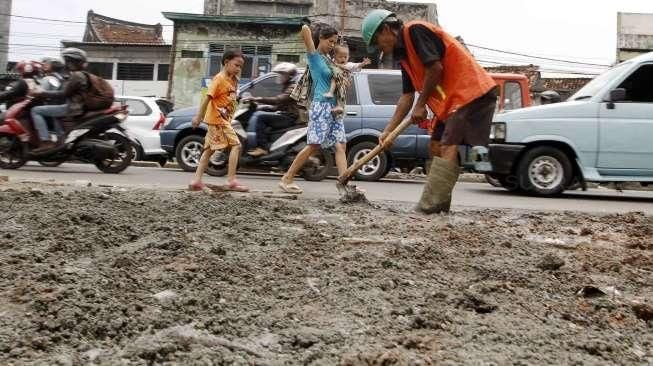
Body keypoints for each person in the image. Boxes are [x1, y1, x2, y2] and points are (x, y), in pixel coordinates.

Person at [361, 9, 497, 214]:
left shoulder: (416, 31)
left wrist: (421, 104)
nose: (379, 48)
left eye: (377, 41)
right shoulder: (403, 58)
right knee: (435, 145)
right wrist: (388, 130)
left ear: (387, 29)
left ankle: (429, 207)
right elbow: (406, 96)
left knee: (448, 144)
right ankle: (440, 204)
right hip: (452, 102)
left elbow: (435, 69)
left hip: (470, 92)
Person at [278, 23, 347, 194]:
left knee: (341, 145)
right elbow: (304, 29)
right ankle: (287, 178)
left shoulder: (329, 60)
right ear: (321, 39)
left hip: (333, 108)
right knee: (314, 145)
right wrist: (319, 28)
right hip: (321, 106)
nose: (333, 45)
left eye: (335, 42)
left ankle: (345, 185)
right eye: (330, 41)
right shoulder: (314, 56)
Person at [30, 48, 114, 153]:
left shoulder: (76, 75)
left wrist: (41, 93)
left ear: (71, 62)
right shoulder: (83, 74)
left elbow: (63, 93)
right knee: (54, 113)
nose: (66, 64)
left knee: (36, 110)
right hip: (79, 106)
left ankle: (46, 141)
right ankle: (61, 140)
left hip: (73, 108)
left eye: (67, 61)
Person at [189, 49, 249, 192]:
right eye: (236, 65)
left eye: (241, 66)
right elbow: (207, 98)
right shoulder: (219, 79)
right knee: (236, 145)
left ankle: (196, 181)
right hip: (217, 119)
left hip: (223, 119)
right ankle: (231, 180)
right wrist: (198, 116)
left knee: (208, 150)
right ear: (226, 62)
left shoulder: (234, 80)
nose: (239, 69)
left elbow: (231, 99)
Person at [245, 62, 300, 157]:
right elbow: (280, 104)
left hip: (289, 116)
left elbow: (278, 99)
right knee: (260, 112)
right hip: (285, 113)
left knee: (260, 117)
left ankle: (262, 148)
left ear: (290, 76)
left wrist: (258, 99)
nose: (279, 76)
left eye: (282, 74)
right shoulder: (287, 86)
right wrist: (262, 106)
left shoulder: (293, 87)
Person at [323, 44, 371, 115]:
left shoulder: (348, 65)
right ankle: (335, 101)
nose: (343, 59)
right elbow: (329, 63)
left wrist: (363, 63)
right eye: (340, 57)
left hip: (343, 82)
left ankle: (337, 103)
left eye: (345, 57)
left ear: (348, 57)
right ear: (335, 56)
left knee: (341, 92)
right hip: (337, 81)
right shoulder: (332, 62)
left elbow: (356, 65)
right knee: (338, 89)